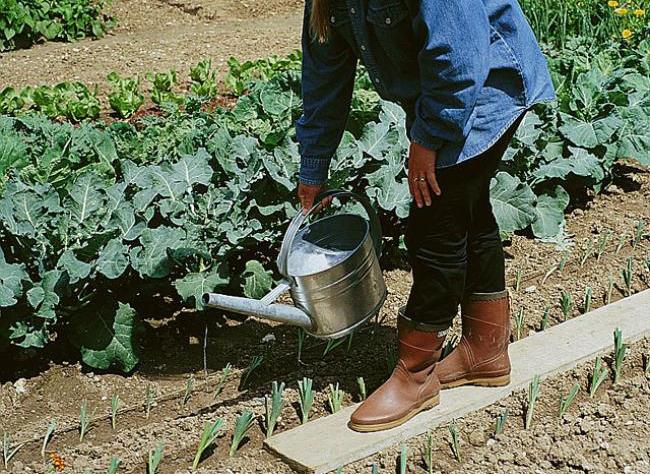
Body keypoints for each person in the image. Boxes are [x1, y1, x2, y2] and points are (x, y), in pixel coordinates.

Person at [295, 0, 555, 432]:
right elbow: (324, 71)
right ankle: (485, 352)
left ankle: (416, 376)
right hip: (444, 95)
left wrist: (429, 138)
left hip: (486, 88)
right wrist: (314, 165)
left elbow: (458, 57)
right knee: (466, 210)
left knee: (435, 227)